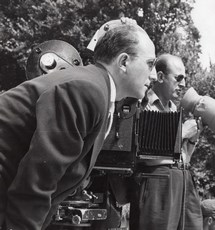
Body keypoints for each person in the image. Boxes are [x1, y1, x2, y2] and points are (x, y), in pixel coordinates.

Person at [0, 18, 157, 230]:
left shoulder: (99, 91)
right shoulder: (87, 90)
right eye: (150, 64)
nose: (154, 75)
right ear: (123, 62)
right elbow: (37, 183)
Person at [129, 53, 203, 230]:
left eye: (184, 78)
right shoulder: (143, 103)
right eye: (178, 78)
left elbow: (183, 157)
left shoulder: (174, 108)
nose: (183, 84)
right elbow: (146, 155)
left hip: (181, 177)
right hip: (158, 179)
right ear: (160, 77)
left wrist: (192, 140)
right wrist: (183, 133)